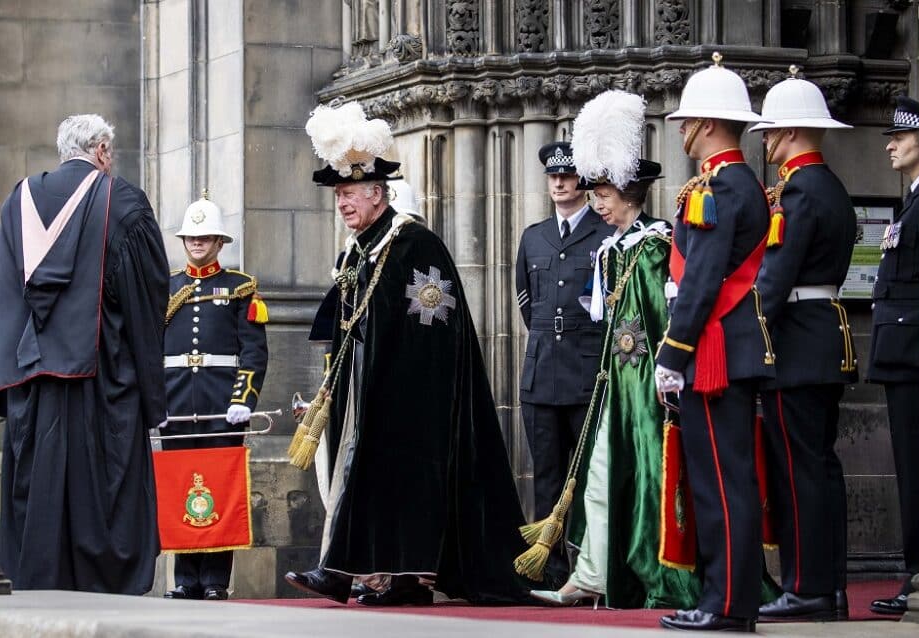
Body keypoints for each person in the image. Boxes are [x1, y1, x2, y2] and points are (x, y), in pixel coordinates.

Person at [283, 101, 532, 606]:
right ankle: (363, 573)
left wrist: (396, 384)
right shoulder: (358, 250)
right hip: (362, 387)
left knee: (400, 483)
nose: (343, 204)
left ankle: (398, 577)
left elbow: (433, 326)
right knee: (362, 481)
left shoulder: (414, 243)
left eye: (350, 194)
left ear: (378, 194)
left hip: (412, 392)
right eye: (339, 195)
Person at [527, 90, 701, 610]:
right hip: (612, 383)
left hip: (645, 382)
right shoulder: (611, 249)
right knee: (600, 478)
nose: (596, 201)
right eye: (595, 192)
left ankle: (643, 571)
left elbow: (657, 318)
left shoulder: (653, 243)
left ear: (628, 192)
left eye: (604, 193)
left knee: (645, 477)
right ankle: (590, 574)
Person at [0, 114, 168, 593]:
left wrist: (12, 372)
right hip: (100, 382)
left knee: (37, 490)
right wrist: (149, 387)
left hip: (34, 382)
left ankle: (38, 578)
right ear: (103, 151)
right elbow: (146, 300)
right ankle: (102, 581)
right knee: (101, 491)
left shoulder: (17, 201)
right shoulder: (122, 200)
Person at [654, 54, 774, 632]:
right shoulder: (735, 182)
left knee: (720, 480)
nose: (681, 130)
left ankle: (726, 604)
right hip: (723, 345)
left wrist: (672, 352)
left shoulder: (721, 185)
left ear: (706, 124)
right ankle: (724, 597)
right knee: (723, 477)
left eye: (687, 120)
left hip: (714, 349)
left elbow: (700, 280)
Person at [747, 70, 857, 623]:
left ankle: (807, 586)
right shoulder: (828, 186)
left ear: (789, 133)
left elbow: (774, 277)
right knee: (819, 468)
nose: (765, 142)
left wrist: (741, 335)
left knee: (797, 471)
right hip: (823, 339)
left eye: (769, 133)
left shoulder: (798, 191)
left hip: (796, 344)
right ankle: (827, 586)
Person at [161, 192, 269, 601]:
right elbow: (152, 352)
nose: (197, 243)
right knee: (179, 487)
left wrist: (243, 399)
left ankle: (214, 581)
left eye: (205, 237)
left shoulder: (240, 288)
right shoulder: (166, 288)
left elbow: (254, 351)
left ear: (219, 242)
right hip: (175, 405)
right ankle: (185, 579)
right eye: (191, 237)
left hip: (222, 406)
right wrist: (155, 404)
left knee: (219, 489)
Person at [515, 141, 612, 584]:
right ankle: (551, 569)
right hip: (542, 372)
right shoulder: (534, 236)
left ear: (584, 181)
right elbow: (526, 302)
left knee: (592, 476)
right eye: (553, 176)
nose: (558, 182)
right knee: (547, 476)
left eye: (567, 175)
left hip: (588, 371)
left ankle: (593, 566)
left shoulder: (605, 232)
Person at [866, 96, 919, 616]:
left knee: (916, 466)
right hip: (901, 349)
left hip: (914, 350)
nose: (890, 144)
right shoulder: (913, 198)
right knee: (909, 467)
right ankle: (917, 571)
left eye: (901, 138)